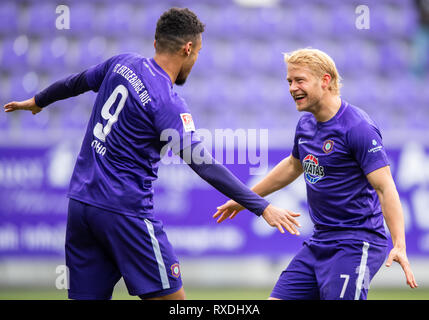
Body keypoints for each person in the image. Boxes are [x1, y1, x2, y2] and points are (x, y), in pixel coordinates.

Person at [3, 8, 301, 300]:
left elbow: (77, 81)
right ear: (188, 49)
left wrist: (39, 100)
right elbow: (203, 164)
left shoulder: (122, 63)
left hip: (81, 206)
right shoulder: (167, 101)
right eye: (197, 53)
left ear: (156, 42)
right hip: (124, 212)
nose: (195, 59)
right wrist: (262, 207)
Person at [213, 48, 418, 300]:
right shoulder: (306, 124)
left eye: (299, 80)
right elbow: (293, 166)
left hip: (356, 243)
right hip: (320, 241)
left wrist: (399, 244)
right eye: (289, 81)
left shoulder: (358, 127)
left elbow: (385, 188)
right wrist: (245, 198)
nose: (292, 88)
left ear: (325, 80)